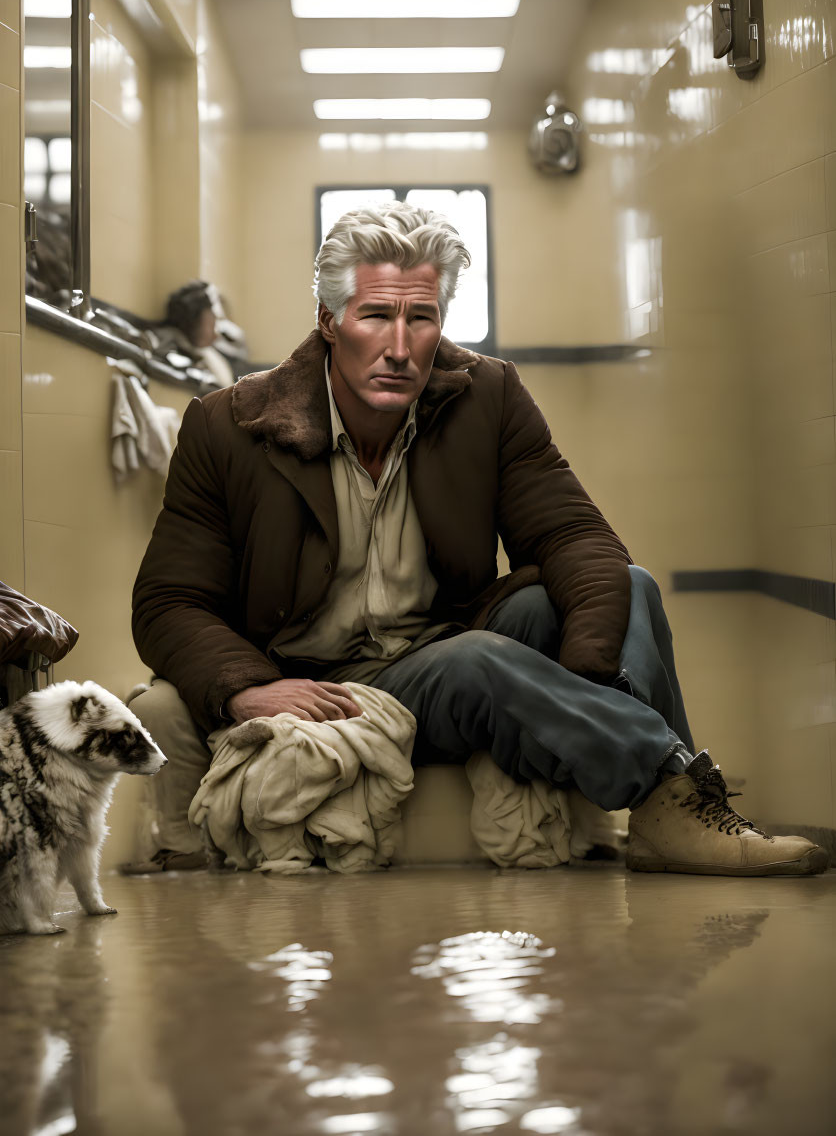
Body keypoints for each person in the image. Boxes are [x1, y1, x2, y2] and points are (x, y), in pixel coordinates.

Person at [127, 203, 827, 878]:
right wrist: (249, 689)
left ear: (440, 322)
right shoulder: (230, 426)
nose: (400, 348)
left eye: (420, 318)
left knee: (628, 585)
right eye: (375, 315)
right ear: (330, 323)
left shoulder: (486, 395)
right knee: (478, 660)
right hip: (325, 682)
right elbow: (168, 600)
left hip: (439, 643)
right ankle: (673, 790)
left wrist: (582, 681)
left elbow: (571, 532)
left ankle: (664, 819)